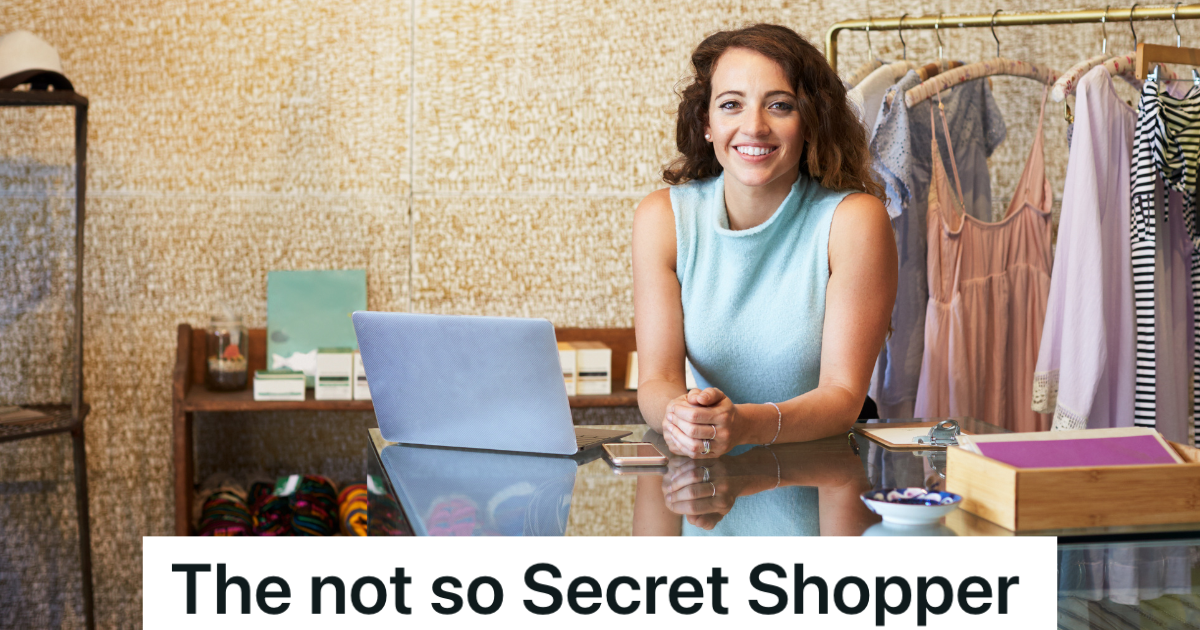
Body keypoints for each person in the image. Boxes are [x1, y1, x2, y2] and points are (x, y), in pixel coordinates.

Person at [632, 24, 896, 458]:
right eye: (731, 105)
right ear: (707, 124)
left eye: (779, 105)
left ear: (810, 123)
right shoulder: (662, 218)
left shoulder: (854, 220)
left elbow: (844, 396)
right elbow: (656, 382)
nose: (753, 127)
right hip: (707, 478)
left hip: (823, 475)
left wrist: (741, 424)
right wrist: (680, 417)